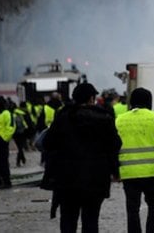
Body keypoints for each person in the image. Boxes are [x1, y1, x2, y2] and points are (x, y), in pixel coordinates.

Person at [42, 82, 122, 232]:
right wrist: (115, 171)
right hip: (96, 178)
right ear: (92, 98)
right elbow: (115, 145)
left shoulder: (63, 116)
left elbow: (48, 143)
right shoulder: (103, 117)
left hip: (67, 179)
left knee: (68, 219)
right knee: (91, 220)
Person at [116, 87, 154, 233]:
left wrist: (114, 170)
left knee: (132, 208)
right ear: (149, 102)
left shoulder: (119, 120)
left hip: (128, 172)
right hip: (151, 172)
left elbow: (111, 146)